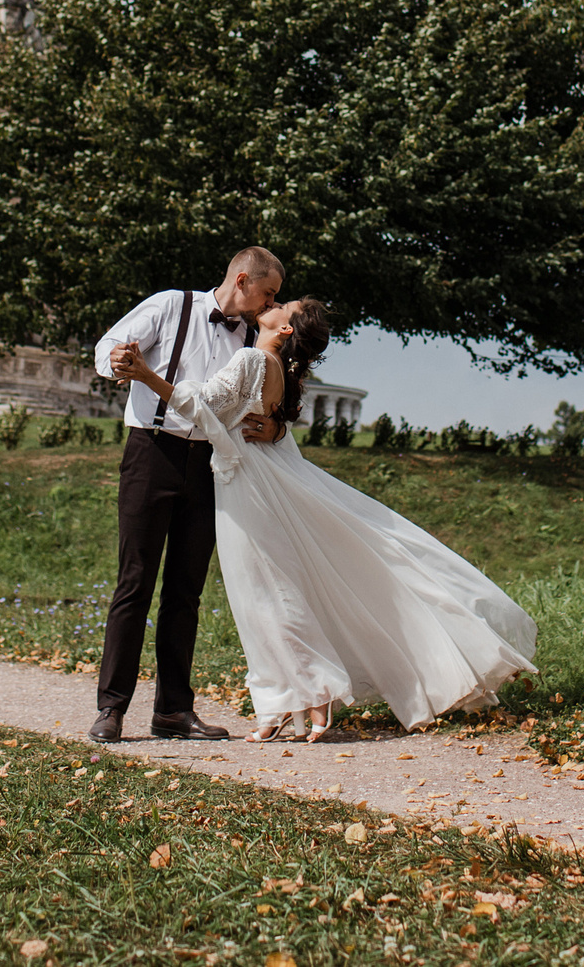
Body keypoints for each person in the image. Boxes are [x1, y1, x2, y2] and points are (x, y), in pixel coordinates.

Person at [125, 296, 537, 741]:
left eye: (285, 304)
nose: (274, 302)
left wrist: (148, 376)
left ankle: (313, 692)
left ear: (286, 330)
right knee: (262, 594)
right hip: (252, 478)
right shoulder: (274, 367)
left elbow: (202, 404)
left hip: (247, 486)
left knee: (267, 592)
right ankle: (283, 702)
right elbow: (247, 422)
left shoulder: (251, 358)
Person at [89, 247, 286, 742]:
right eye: (268, 293)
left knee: (186, 591)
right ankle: (111, 708)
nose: (269, 305)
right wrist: (115, 359)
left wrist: (273, 427)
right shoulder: (170, 307)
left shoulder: (253, 340)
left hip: (209, 466)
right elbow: (109, 346)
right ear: (242, 279)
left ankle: (173, 711)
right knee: (134, 581)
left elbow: (273, 401)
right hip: (151, 453)